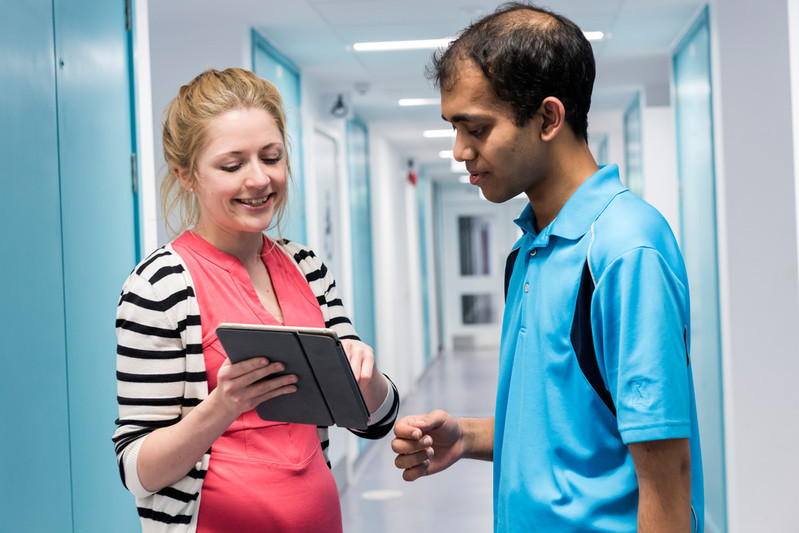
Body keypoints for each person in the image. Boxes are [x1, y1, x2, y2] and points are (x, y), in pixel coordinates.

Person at [391, 3, 703, 532]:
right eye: (453, 127)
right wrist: (466, 436)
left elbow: (665, 473)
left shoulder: (625, 250)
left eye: (477, 128)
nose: (460, 150)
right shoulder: (530, 248)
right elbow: (570, 431)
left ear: (549, 118)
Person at [113, 67, 399, 533]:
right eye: (233, 165)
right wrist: (222, 405)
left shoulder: (306, 267)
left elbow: (374, 421)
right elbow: (137, 471)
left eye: (272, 157)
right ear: (185, 174)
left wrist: (366, 378)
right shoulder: (160, 286)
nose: (259, 179)